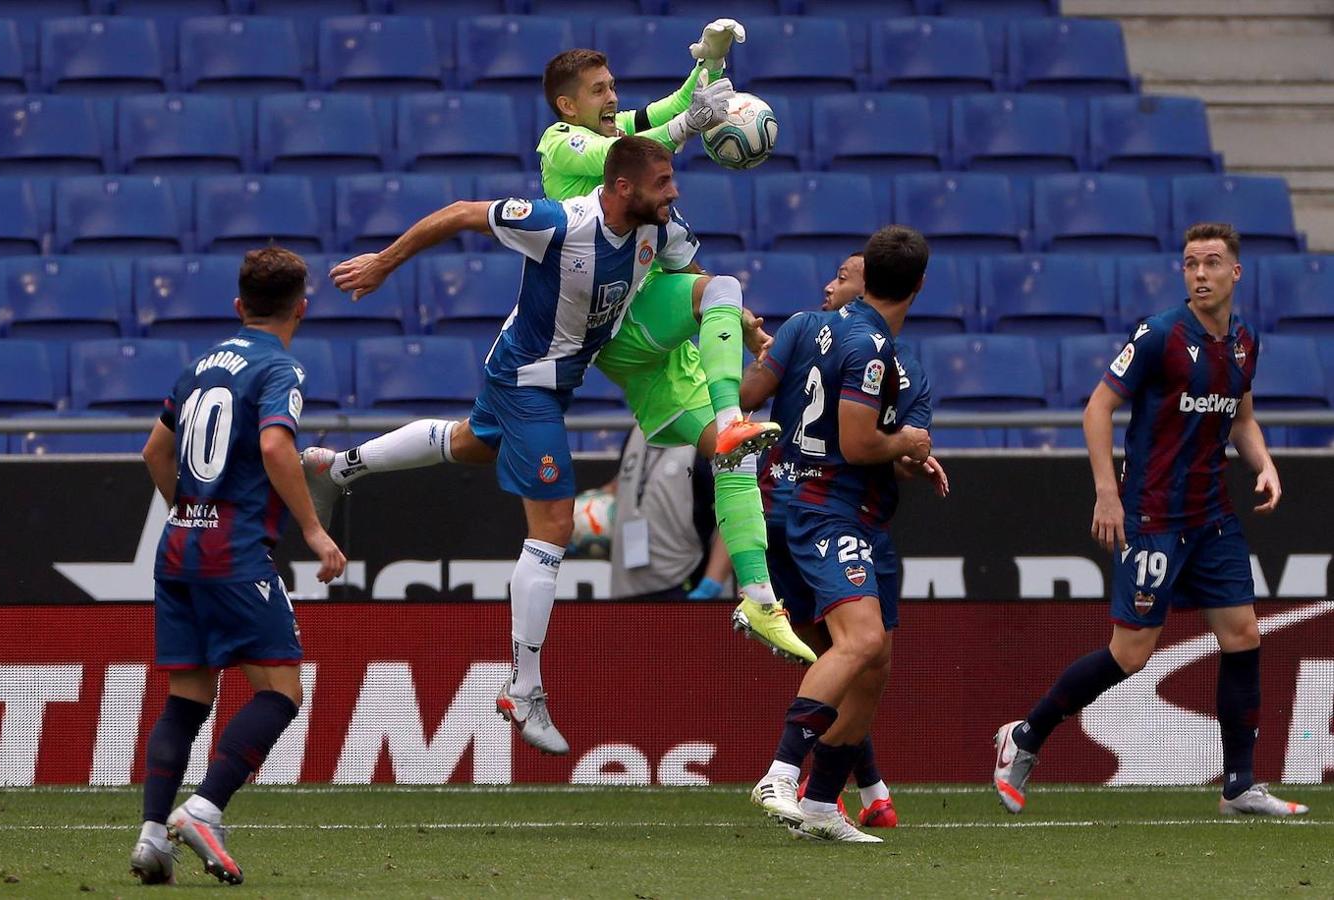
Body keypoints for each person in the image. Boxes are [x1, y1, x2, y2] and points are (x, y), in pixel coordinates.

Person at [302, 28, 816, 669]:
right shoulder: (565, 145)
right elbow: (634, 153)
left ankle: (759, 597)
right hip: (594, 323)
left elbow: (658, 122)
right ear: (567, 106)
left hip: (633, 317)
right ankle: (525, 681)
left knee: (480, 443)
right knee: (718, 344)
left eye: (614, 89)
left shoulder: (621, 149)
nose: (614, 98)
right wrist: (689, 122)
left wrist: (711, 64)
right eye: (600, 91)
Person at [318, 137, 714, 757]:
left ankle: (340, 466)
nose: (675, 191)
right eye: (663, 182)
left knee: (473, 444)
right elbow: (460, 213)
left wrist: (736, 321)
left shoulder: (662, 232)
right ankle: (524, 689)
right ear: (624, 189)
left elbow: (695, 280)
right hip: (525, 378)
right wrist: (384, 264)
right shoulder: (560, 223)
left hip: (554, 380)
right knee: (553, 525)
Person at [992, 222, 1309, 818]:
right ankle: (1025, 736)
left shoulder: (1244, 341)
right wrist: (1106, 494)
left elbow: (1240, 418)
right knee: (1132, 653)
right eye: (1191, 263)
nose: (1200, 274)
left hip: (1212, 512)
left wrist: (1264, 465)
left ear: (1235, 273)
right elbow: (1098, 407)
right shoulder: (1161, 333)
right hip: (1154, 513)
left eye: (1212, 263)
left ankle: (1239, 784)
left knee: (1243, 635)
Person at [129, 249, 347, 886]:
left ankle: (151, 839)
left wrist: (191, 512)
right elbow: (276, 442)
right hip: (235, 551)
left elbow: (153, 451)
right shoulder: (279, 367)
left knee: (187, 697)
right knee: (281, 692)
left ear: (237, 306)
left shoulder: (198, 367)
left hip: (178, 548)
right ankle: (203, 808)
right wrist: (312, 528)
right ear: (300, 309)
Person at [738, 226, 934, 843]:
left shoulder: (799, 326)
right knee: (860, 642)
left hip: (795, 507)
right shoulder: (877, 351)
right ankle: (782, 773)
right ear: (919, 287)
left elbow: (743, 397)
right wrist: (908, 442)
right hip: (828, 513)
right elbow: (860, 442)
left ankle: (823, 805)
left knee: (869, 662)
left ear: (865, 275)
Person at [607, 425, 717, 601]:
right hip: (625, 585)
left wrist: (712, 582)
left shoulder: (703, 438)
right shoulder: (635, 432)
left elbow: (733, 517)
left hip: (679, 582)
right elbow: (620, 485)